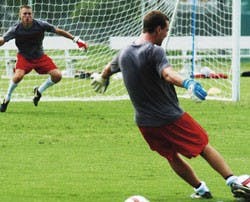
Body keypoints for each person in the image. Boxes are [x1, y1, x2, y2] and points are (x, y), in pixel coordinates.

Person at [91, 10, 250, 199]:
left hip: (145, 123)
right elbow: (167, 74)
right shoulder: (154, 51)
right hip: (170, 117)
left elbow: (108, 68)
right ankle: (233, 182)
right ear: (158, 29)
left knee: (171, 156)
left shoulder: (124, 51)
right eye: (166, 30)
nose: (166, 35)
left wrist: (102, 78)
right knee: (203, 146)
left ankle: (200, 189)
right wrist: (188, 83)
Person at [0, 5, 87, 112]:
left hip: (40, 57)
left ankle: (39, 91)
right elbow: (3, 40)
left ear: (32, 15)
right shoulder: (15, 29)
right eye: (25, 14)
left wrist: (75, 39)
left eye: (29, 14)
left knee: (57, 76)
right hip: (24, 57)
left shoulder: (41, 25)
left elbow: (58, 31)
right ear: (20, 16)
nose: (27, 16)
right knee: (18, 76)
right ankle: (6, 98)